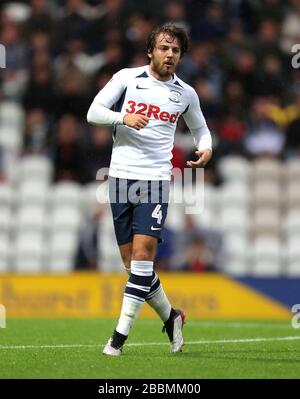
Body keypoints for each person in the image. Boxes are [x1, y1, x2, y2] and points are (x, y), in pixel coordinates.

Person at [87, 24, 212, 356]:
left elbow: (200, 128)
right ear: (150, 51)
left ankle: (118, 337)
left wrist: (206, 148)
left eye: (175, 50)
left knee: (143, 257)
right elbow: (93, 112)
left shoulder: (185, 93)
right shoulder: (128, 78)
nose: (169, 54)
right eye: (163, 48)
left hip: (155, 181)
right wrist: (122, 118)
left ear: (180, 56)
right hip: (120, 179)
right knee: (133, 266)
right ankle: (172, 318)